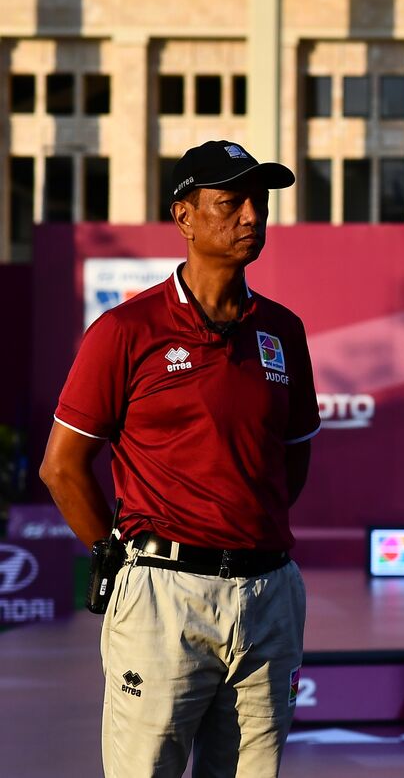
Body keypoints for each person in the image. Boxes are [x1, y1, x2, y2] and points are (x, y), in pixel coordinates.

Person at [39, 140, 320, 778]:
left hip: (269, 594)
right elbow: (61, 466)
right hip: (163, 598)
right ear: (183, 216)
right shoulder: (125, 330)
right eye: (231, 202)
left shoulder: (283, 331)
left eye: (260, 201)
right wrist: (112, 552)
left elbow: (290, 464)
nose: (252, 215)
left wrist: (244, 527)